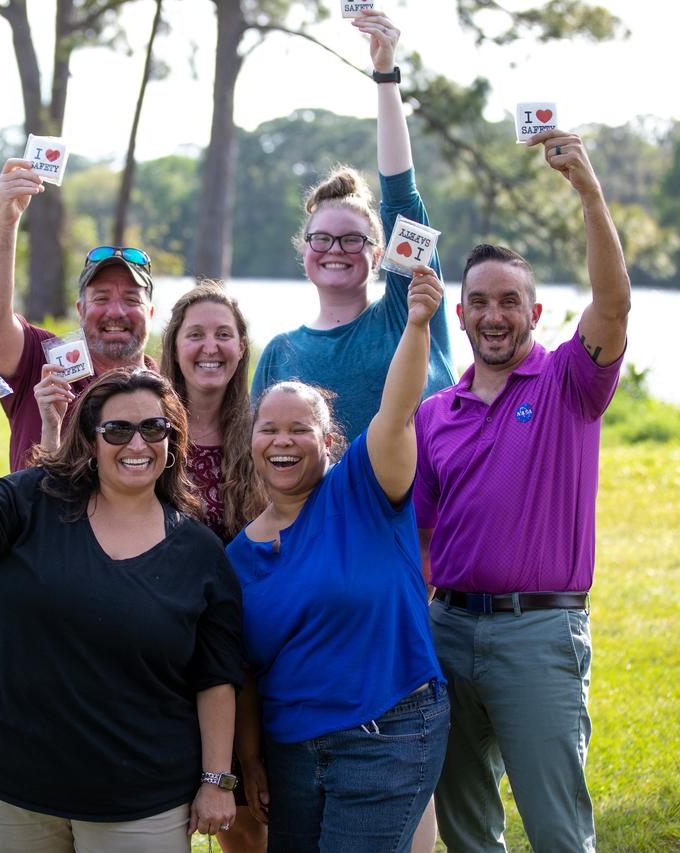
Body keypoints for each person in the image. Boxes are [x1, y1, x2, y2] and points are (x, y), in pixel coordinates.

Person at [414, 130, 631, 853]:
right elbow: (420, 540)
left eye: (511, 301)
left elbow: (613, 301)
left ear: (534, 314)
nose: (495, 314)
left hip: (539, 633)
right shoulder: (434, 414)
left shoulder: (571, 381)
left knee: (558, 828)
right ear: (462, 314)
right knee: (469, 828)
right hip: (449, 631)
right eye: (481, 302)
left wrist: (589, 193)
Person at [0, 367, 244, 852]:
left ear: (172, 440)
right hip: (13, 774)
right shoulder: (34, 498)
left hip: (141, 792)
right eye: (117, 430)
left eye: (154, 428)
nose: (136, 444)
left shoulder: (201, 553)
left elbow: (216, 676)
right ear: (91, 440)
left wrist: (216, 779)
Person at [35, 282, 269, 853]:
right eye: (195, 334)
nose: (209, 347)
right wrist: (50, 424)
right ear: (173, 345)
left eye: (223, 334)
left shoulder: (264, 430)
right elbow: (67, 497)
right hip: (150, 653)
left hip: (247, 658)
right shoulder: (142, 424)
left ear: (242, 347)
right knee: (154, 812)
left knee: (244, 821)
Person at [228, 266, 451, 853]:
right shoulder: (237, 555)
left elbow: (397, 410)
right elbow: (244, 672)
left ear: (328, 443)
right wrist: (250, 759)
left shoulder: (364, 489)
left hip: (389, 729)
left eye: (299, 429)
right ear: (251, 442)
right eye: (268, 429)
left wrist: (419, 323)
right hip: (292, 751)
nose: (282, 440)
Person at [250, 10, 455, 442]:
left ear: (379, 255)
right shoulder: (279, 353)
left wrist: (385, 76)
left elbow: (401, 195)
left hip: (420, 511)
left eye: (352, 240)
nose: (335, 249)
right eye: (321, 238)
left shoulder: (407, 308)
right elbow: (259, 456)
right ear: (304, 249)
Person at [0, 157, 158, 471]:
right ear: (80, 310)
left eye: (130, 299)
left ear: (151, 313)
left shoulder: (166, 390)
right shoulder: (42, 360)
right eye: (101, 298)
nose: (115, 311)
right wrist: (6, 220)